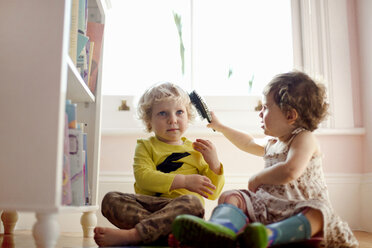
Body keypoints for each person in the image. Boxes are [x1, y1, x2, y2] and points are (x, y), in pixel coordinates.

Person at [172, 71, 359, 247]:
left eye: (266, 107)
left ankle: (270, 235)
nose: (260, 113)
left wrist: (258, 178)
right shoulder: (273, 143)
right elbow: (248, 142)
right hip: (268, 207)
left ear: (290, 115)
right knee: (231, 197)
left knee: (319, 213)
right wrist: (221, 127)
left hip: (298, 207)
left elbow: (291, 170)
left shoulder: (304, 138)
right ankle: (222, 229)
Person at [94, 82, 225, 246]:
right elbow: (144, 178)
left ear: (188, 116)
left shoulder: (196, 151)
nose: (172, 120)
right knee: (110, 199)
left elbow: (212, 193)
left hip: (183, 210)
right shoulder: (145, 146)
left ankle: (135, 235)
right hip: (150, 207)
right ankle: (167, 235)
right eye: (163, 113)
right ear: (149, 120)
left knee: (194, 203)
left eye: (179, 112)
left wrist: (214, 163)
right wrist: (184, 181)